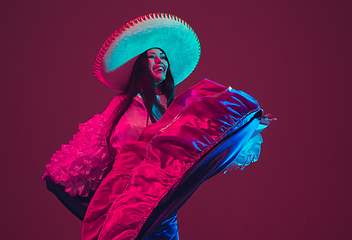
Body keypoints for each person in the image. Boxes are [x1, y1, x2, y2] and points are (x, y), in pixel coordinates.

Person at [42, 13, 274, 240]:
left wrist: (247, 124)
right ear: (140, 65)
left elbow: (197, 147)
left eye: (163, 57)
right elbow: (86, 160)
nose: (159, 61)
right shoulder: (121, 105)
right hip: (119, 199)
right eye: (152, 56)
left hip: (156, 200)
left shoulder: (173, 112)